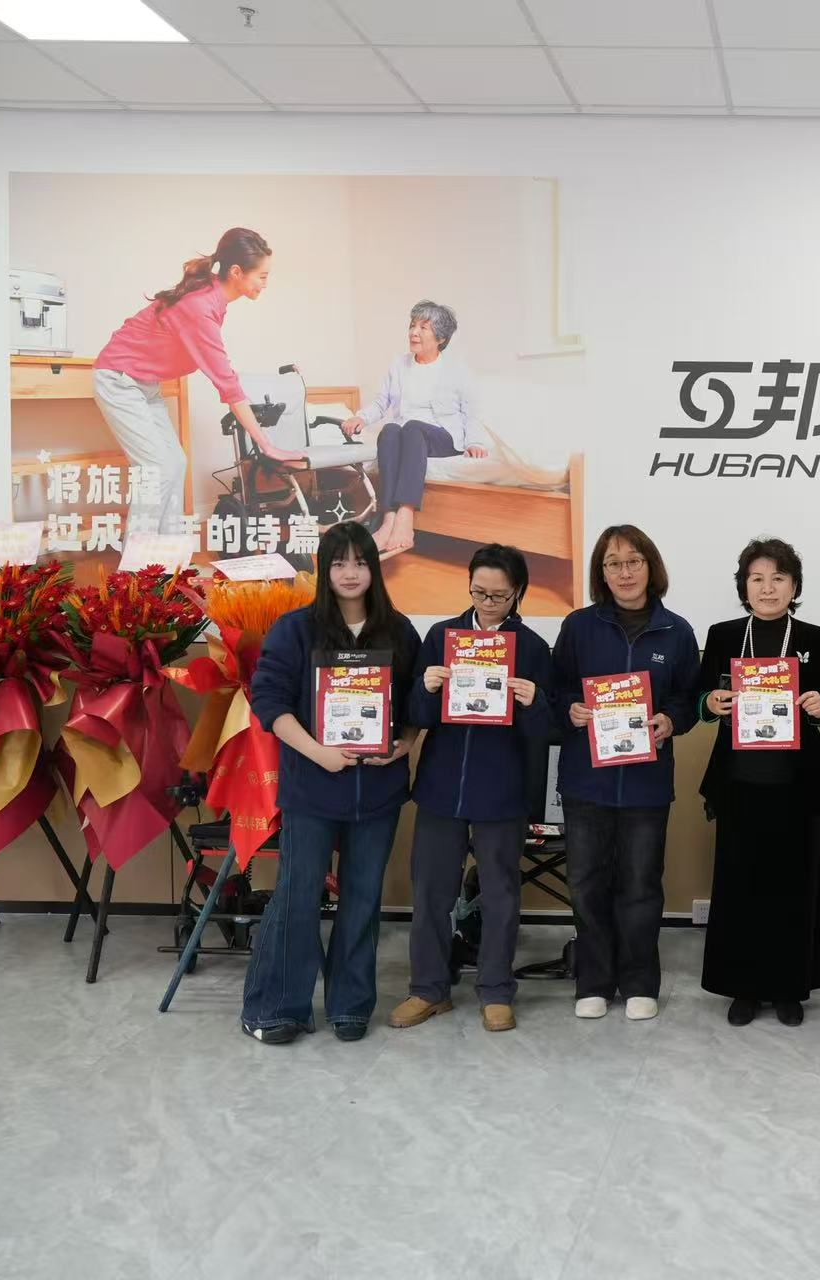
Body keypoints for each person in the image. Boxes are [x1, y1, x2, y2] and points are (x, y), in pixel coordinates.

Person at [241, 521, 421, 1045]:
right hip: (313, 788)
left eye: (360, 562)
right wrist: (319, 753)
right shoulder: (294, 629)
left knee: (362, 898)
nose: (350, 573)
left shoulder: (399, 630)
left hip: (378, 791)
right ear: (324, 569)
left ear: (374, 569)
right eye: (339, 562)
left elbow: (416, 705)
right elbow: (268, 701)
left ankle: (350, 1005)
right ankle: (276, 1007)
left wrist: (404, 744)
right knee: (298, 895)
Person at [391, 544, 554, 1034]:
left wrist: (534, 701)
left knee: (500, 894)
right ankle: (428, 988)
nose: (487, 603)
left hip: (502, 790)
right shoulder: (442, 637)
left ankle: (496, 990)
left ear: (517, 592)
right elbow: (415, 715)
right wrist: (426, 687)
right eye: (479, 592)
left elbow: (547, 732)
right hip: (441, 787)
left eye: (498, 596)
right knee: (431, 891)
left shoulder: (532, 648)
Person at [549, 525, 700, 1021]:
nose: (625, 572)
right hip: (586, 781)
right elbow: (556, 690)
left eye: (634, 561)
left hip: (645, 783)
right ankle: (594, 981)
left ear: (650, 567)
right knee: (586, 884)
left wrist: (671, 719)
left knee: (640, 885)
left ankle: (638, 982)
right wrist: (570, 709)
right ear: (602, 573)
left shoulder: (676, 631)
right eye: (613, 563)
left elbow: (688, 699)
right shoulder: (579, 626)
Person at [696, 538, 820, 1027]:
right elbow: (701, 700)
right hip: (739, 781)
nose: (767, 588)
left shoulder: (816, 638)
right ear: (743, 587)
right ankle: (742, 987)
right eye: (756, 579)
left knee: (792, 887)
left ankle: (788, 987)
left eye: (778, 578)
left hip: (795, 783)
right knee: (739, 885)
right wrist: (710, 703)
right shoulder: (722, 636)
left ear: (794, 586)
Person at [94, 227, 295, 534]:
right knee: (155, 470)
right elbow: (227, 384)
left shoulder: (213, 295)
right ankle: (137, 560)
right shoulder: (200, 306)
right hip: (119, 380)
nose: (265, 284)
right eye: (262, 276)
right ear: (237, 272)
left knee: (174, 463)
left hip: (144, 384)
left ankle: (168, 554)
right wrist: (267, 445)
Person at [340, 301, 488, 559]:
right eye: (412, 325)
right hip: (407, 435)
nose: (413, 332)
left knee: (411, 428)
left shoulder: (456, 369)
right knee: (390, 430)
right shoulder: (399, 365)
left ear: (441, 338)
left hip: (443, 436)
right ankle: (388, 519)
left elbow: (471, 411)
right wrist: (360, 417)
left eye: (423, 327)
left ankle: (406, 516)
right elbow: (381, 403)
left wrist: (475, 441)